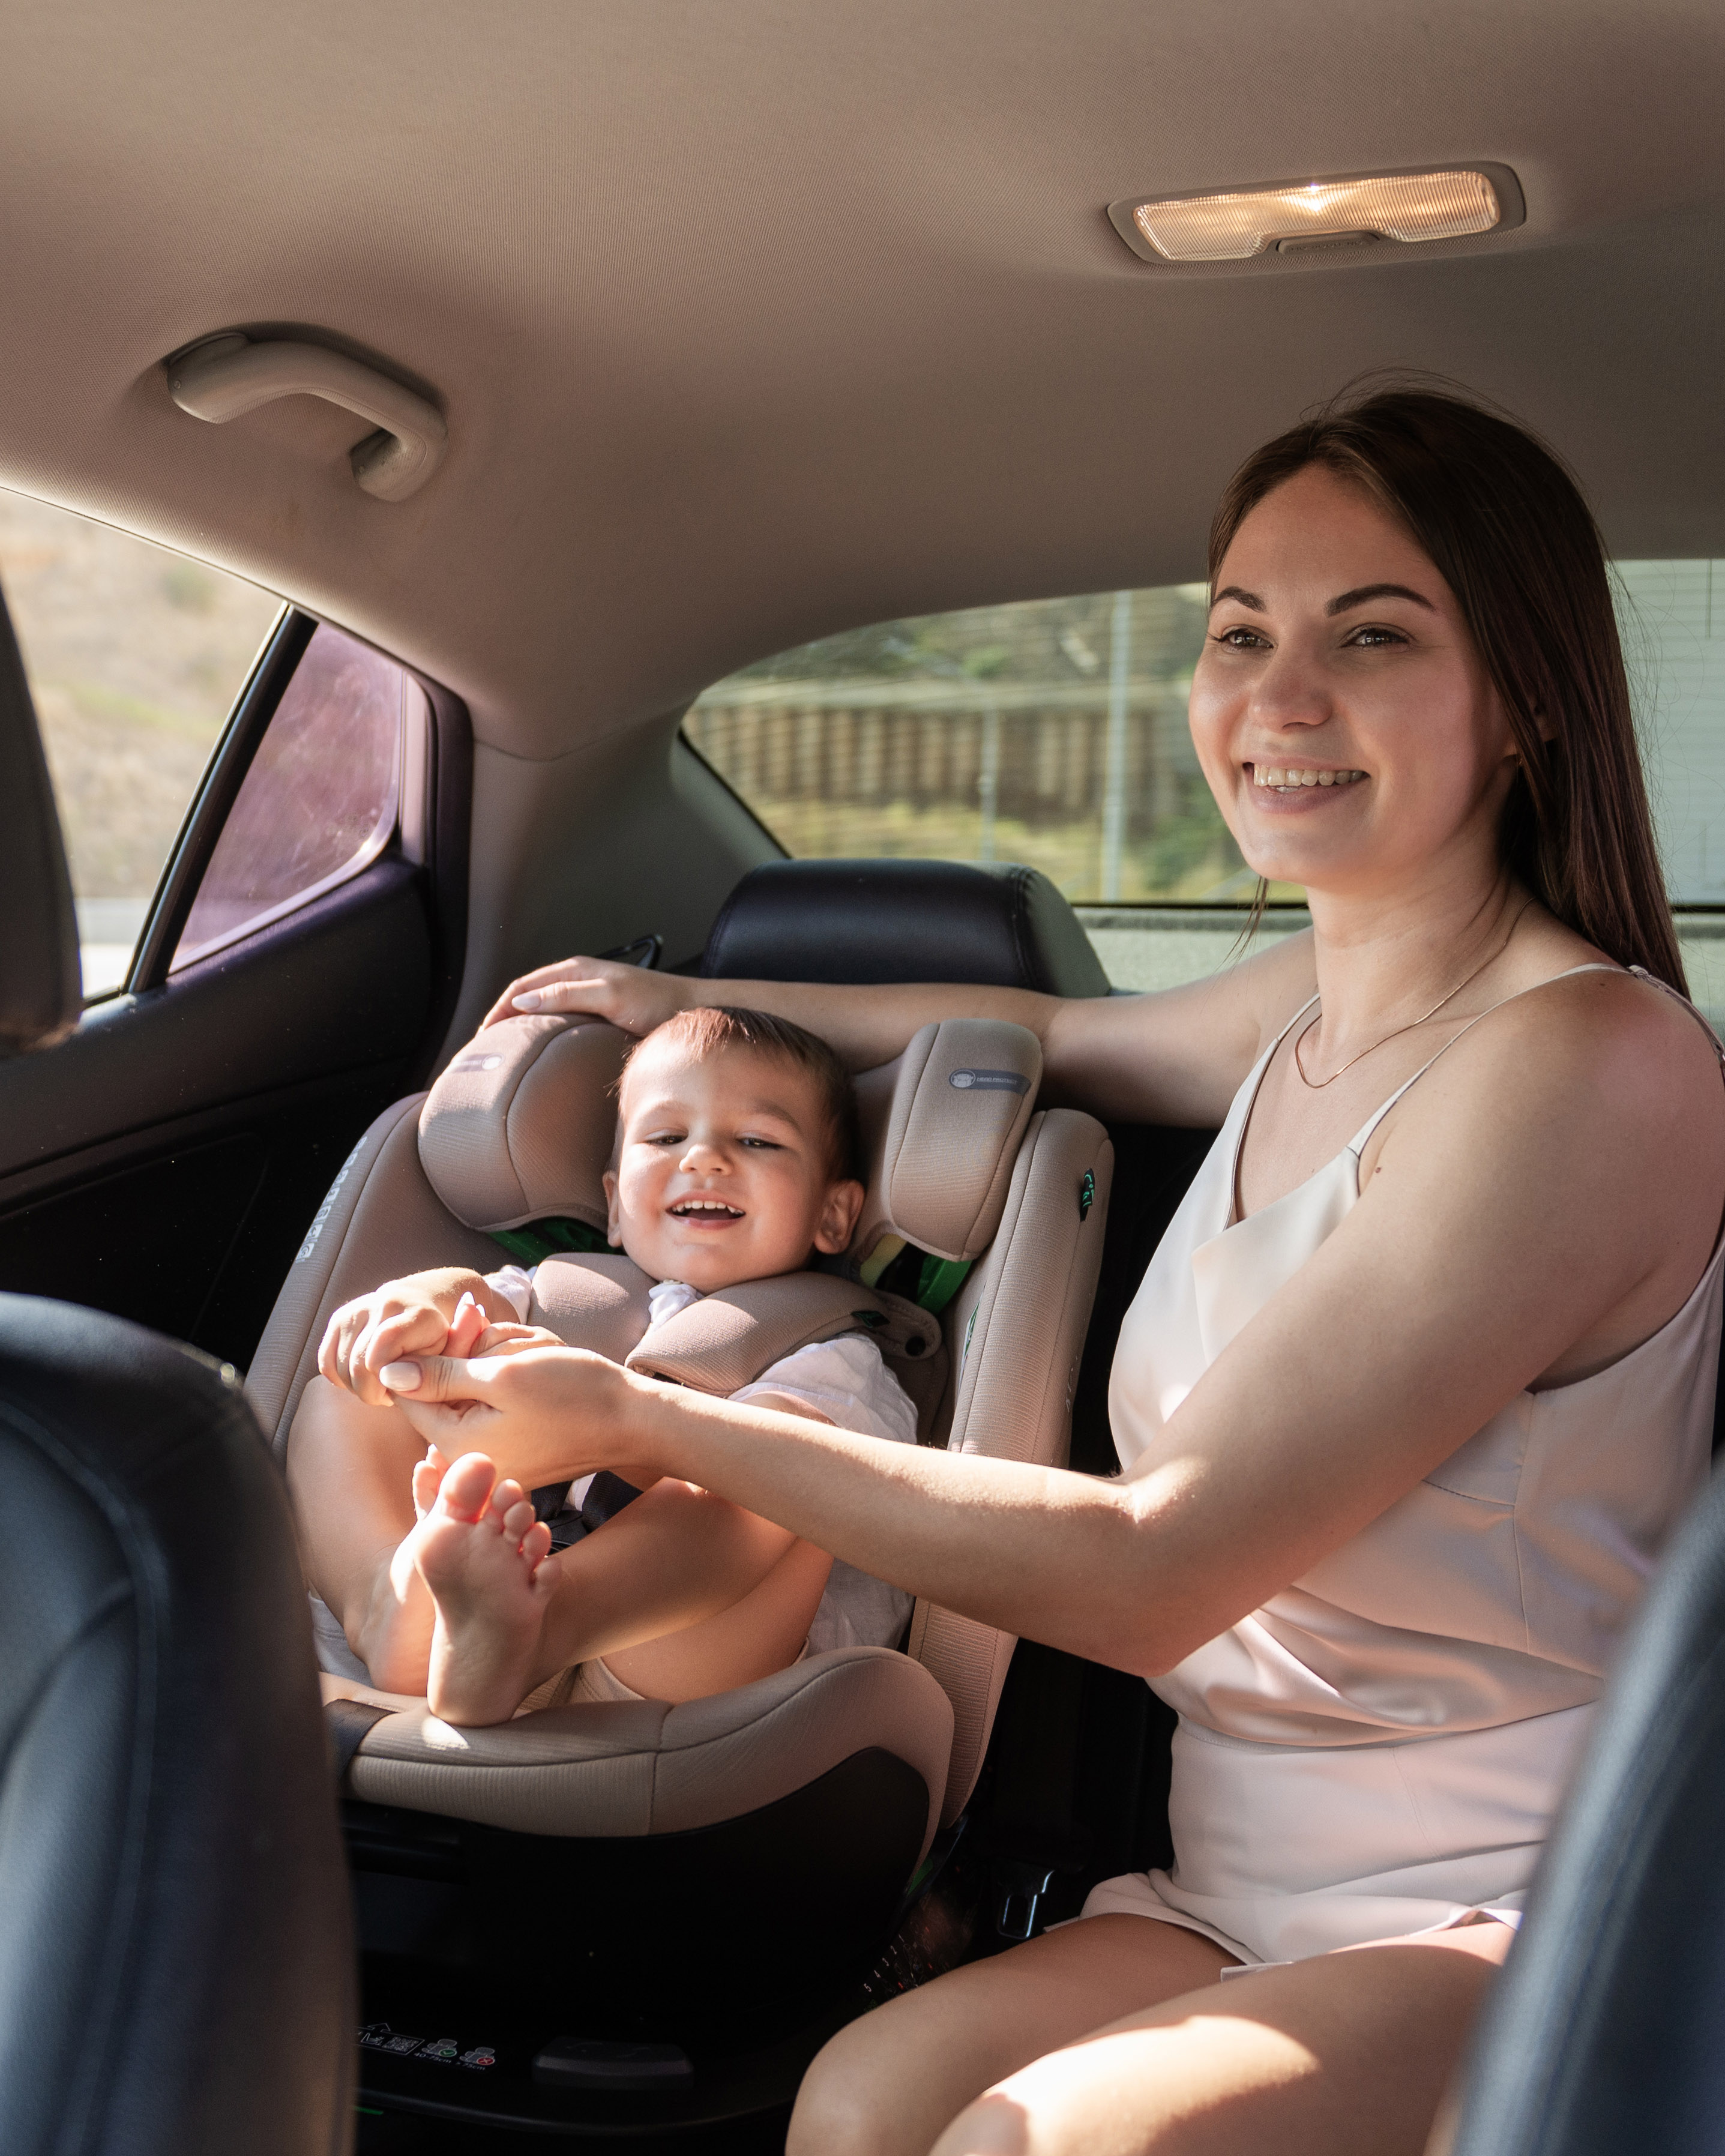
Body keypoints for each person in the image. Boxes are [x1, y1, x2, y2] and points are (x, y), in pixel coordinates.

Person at [369, 385, 1725, 2156]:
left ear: (1528, 697)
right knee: (858, 2103)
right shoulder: (1297, 1015)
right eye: (1238, 634)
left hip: (1519, 1896)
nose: (1279, 697)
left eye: (1370, 634)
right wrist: (675, 1001)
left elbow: (1157, 1571)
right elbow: (1029, 1024)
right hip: (1229, 1881)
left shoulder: (1594, 1065)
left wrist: (645, 1422)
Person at [288, 1005, 919, 1723]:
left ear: (834, 1215)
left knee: (777, 1477)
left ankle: (539, 1625)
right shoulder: (560, 1292)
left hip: (677, 1669)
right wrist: (414, 1306)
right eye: (667, 1137)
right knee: (352, 1388)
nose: (703, 1158)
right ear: (614, 1205)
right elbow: (468, 1301)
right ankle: (388, 1604)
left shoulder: (834, 1354)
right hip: (456, 1618)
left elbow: (810, 1483)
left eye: (756, 1139)